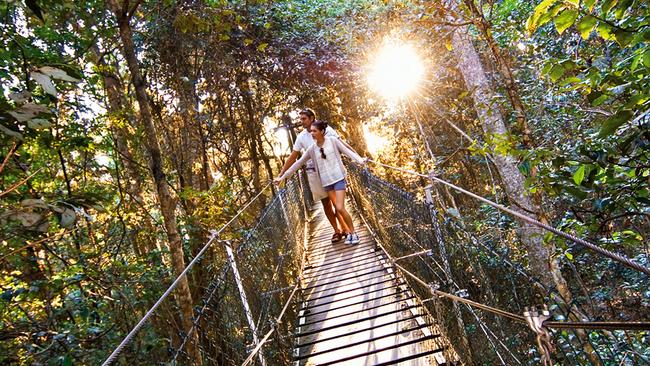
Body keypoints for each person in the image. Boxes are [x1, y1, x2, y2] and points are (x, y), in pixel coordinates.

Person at [275, 120, 366, 245]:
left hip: (338, 178)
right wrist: (282, 177)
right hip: (327, 183)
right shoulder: (311, 149)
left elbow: (347, 152)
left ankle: (354, 233)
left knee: (340, 207)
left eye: (314, 131)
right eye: (311, 131)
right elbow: (298, 163)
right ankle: (349, 234)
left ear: (322, 131)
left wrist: (360, 161)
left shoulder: (333, 141)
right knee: (338, 209)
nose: (311, 133)